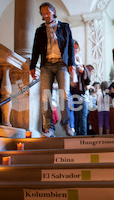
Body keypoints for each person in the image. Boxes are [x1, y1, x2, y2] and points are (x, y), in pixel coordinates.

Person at [30, 2, 75, 137]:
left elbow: (70, 46)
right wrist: (32, 66)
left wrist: (71, 63)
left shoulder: (64, 27)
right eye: (43, 14)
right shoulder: (40, 31)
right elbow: (35, 49)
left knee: (64, 95)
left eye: (48, 12)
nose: (46, 15)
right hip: (46, 65)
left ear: (53, 11)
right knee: (45, 97)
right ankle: (48, 128)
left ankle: (67, 124)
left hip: (62, 64)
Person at [71, 40, 91, 136]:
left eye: (76, 48)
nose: (75, 50)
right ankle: (76, 135)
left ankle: (82, 136)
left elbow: (85, 78)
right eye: (73, 47)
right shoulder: (69, 60)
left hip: (80, 90)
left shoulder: (79, 60)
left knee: (82, 115)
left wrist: (82, 70)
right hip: (72, 89)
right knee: (75, 115)